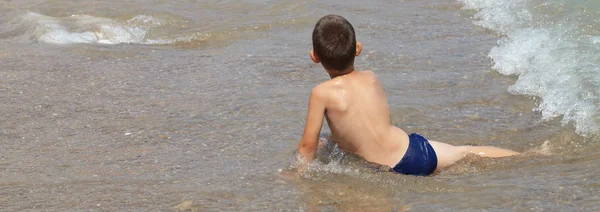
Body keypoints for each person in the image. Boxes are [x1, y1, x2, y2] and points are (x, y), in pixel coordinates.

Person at [295, 14, 519, 176]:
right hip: (414, 152)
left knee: (326, 142)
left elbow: (307, 146)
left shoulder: (321, 93)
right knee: (465, 152)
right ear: (358, 49)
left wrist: (297, 174)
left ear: (314, 56)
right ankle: (526, 156)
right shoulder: (371, 77)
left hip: (384, 169)